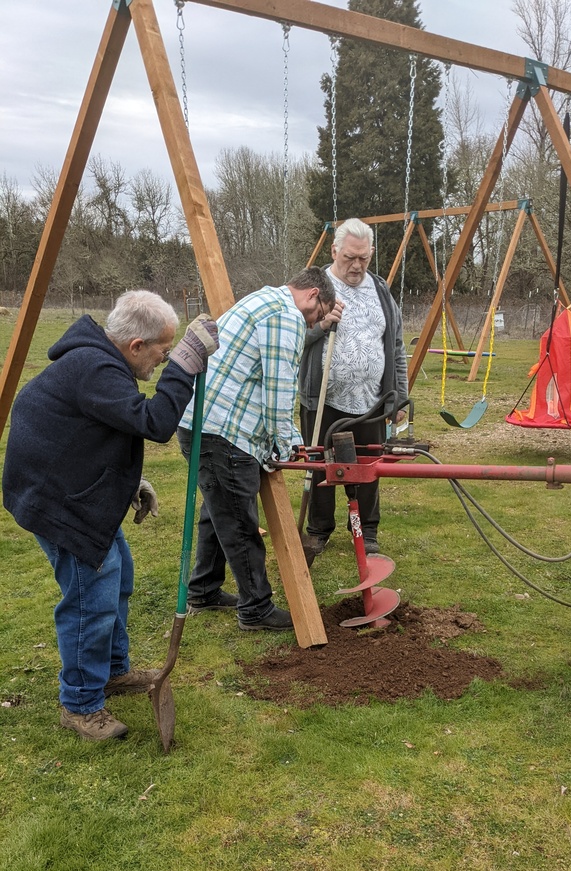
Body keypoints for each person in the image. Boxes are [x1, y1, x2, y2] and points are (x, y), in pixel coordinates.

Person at [2, 291, 219, 741]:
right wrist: (186, 364)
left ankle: (112, 671)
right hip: (58, 501)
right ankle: (80, 705)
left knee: (117, 577)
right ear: (136, 345)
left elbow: (95, 429)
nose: (162, 359)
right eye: (162, 350)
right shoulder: (94, 366)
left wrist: (128, 484)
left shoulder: (98, 362)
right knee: (90, 599)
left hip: (69, 485)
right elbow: (155, 423)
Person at [175, 266, 336, 632]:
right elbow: (280, 392)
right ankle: (256, 609)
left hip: (203, 423)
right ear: (311, 294)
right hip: (225, 431)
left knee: (219, 508)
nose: (315, 322)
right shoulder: (286, 316)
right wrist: (288, 446)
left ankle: (203, 589)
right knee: (239, 520)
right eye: (318, 313)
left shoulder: (262, 299)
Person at [298, 217, 409, 560]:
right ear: (335, 251)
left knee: (369, 465)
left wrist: (399, 396)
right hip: (323, 399)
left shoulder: (380, 290)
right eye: (349, 257)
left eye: (364, 257)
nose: (357, 265)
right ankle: (318, 530)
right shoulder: (314, 287)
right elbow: (291, 338)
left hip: (371, 400)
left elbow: (397, 346)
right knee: (320, 465)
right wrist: (320, 326)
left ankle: (367, 529)